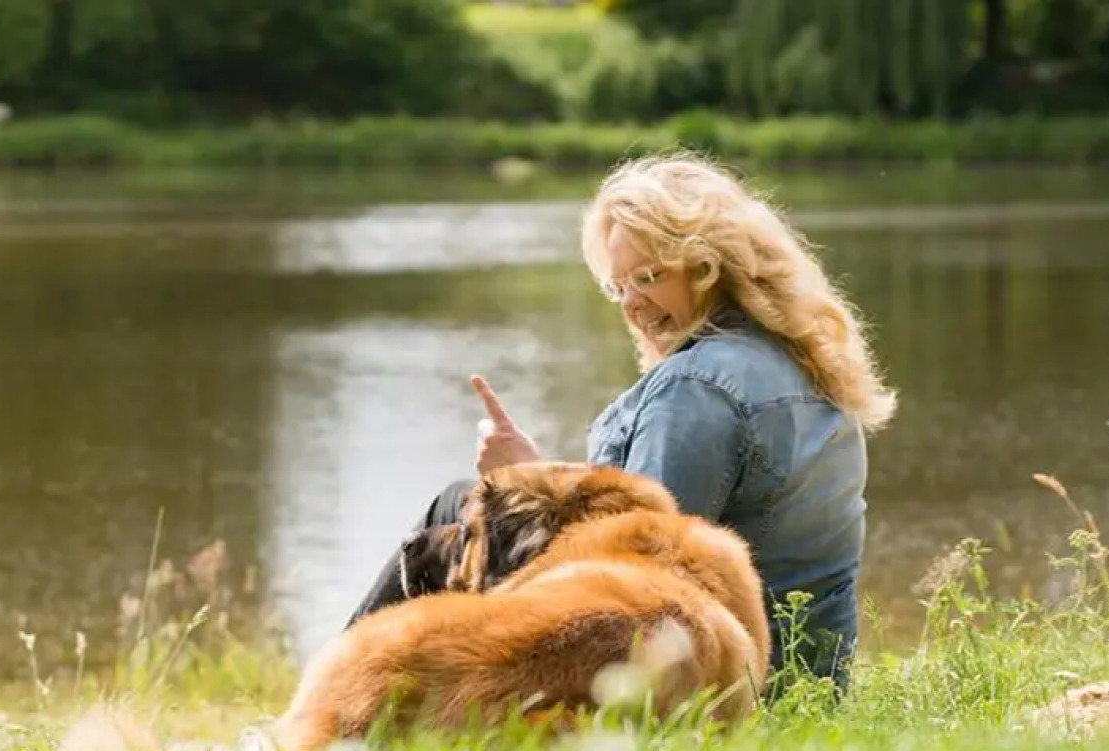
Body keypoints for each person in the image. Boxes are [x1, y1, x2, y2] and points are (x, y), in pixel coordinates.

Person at [344, 149, 897, 692]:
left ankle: (330, 713)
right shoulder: (805, 359)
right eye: (619, 285)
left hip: (720, 683)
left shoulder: (697, 388)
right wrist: (538, 478)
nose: (632, 303)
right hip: (809, 679)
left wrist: (521, 485)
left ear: (709, 265)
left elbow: (638, 567)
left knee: (458, 508)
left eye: (650, 276)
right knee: (475, 508)